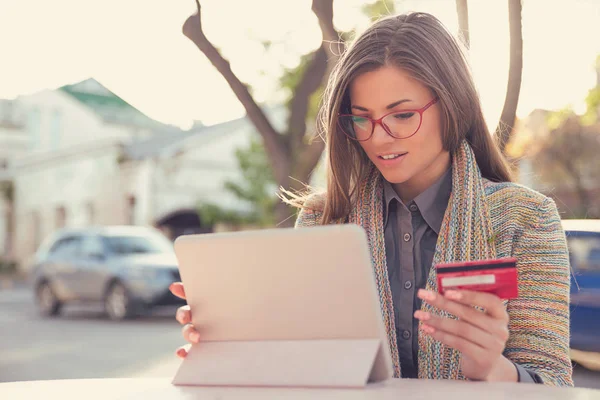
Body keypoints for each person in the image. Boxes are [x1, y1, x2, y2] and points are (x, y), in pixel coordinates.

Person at [169, 12, 573, 386]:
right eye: (361, 118)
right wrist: (233, 349)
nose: (378, 138)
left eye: (401, 115)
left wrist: (494, 369)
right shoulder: (321, 223)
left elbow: (555, 384)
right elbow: (305, 373)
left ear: (453, 106)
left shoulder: (527, 220)